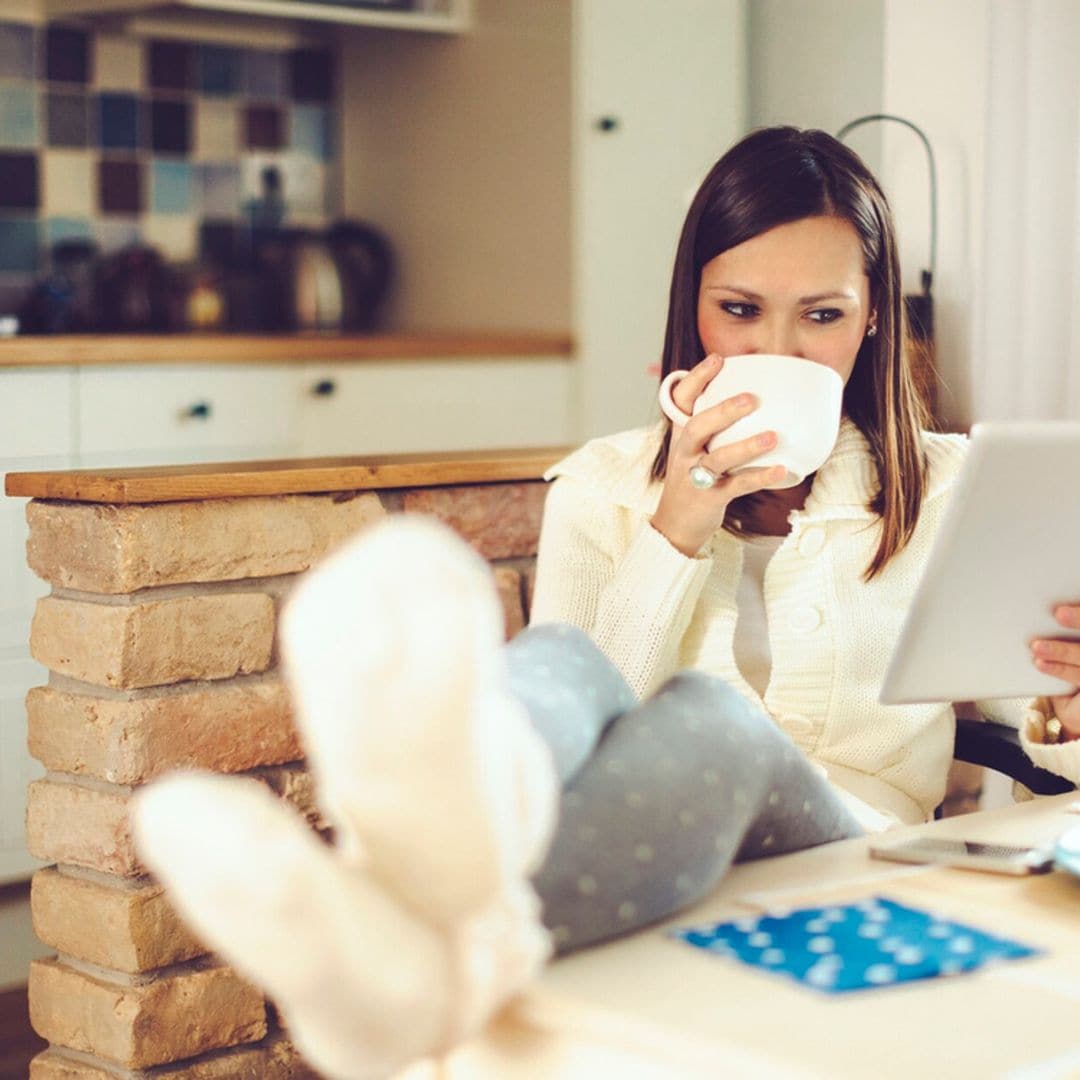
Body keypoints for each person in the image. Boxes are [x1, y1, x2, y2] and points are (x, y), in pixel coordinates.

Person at [132, 127, 1080, 1080]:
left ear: (873, 317)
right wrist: (674, 529)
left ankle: (411, 943)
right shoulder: (602, 486)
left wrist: (1070, 703)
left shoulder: (945, 490)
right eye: (740, 310)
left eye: (822, 315)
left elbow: (1034, 724)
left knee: (712, 721)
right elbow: (588, 703)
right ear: (693, 310)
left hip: (858, 854)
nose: (776, 349)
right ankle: (408, 900)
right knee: (559, 663)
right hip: (645, 857)